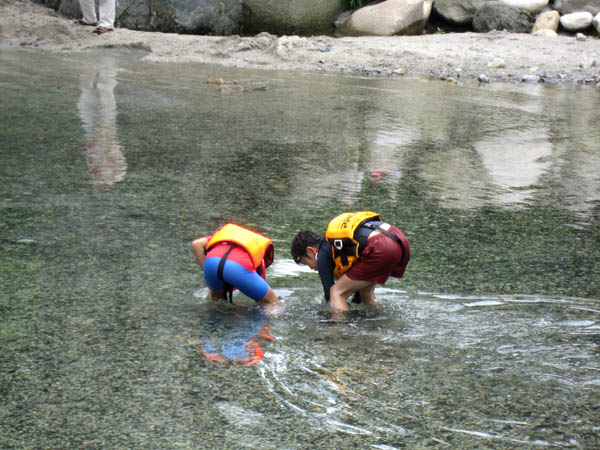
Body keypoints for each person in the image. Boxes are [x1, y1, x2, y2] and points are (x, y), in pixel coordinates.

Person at [291, 211, 410, 314]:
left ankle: (343, 334)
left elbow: (329, 295)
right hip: (398, 239)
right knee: (365, 291)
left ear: (311, 251)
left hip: (381, 246)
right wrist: (354, 306)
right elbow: (356, 290)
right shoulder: (341, 248)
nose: (311, 268)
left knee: (336, 292)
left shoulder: (323, 253)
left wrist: (330, 314)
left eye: (306, 263)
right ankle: (376, 315)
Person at [192, 223, 279, 307]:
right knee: (271, 301)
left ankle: (211, 321)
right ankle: (260, 321)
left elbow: (196, 244)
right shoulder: (259, 250)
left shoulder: (223, 237)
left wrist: (208, 273)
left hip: (211, 263)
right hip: (237, 266)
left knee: (216, 301)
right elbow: (260, 296)